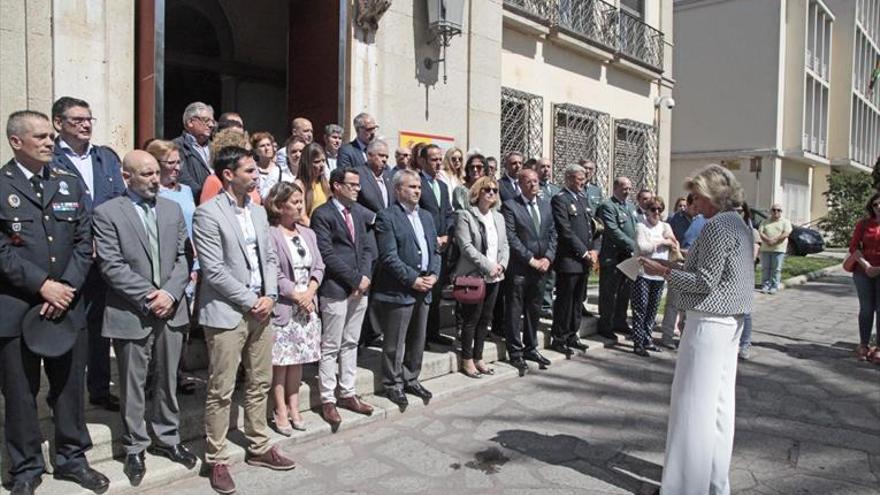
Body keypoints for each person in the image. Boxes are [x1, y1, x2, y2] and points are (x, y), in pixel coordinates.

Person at [0, 110, 109, 494]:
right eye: (42, 137)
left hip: (67, 305)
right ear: (17, 142)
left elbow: (85, 241)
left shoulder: (68, 183)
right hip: (17, 308)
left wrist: (65, 286)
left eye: (51, 136)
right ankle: (26, 468)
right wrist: (42, 285)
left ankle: (71, 460)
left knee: (68, 390)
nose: (50, 143)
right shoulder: (1, 185)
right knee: (19, 392)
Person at [640, 163, 753, 495]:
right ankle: (714, 483)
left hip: (709, 322)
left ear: (712, 195)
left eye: (697, 195)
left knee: (692, 404)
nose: (693, 201)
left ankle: (685, 487)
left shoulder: (718, 225)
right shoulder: (740, 224)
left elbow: (705, 281)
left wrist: (664, 271)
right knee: (718, 407)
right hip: (730, 321)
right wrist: (677, 264)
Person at [193, 146, 295, 493]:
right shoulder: (207, 215)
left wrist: (269, 297)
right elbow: (214, 271)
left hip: (261, 309)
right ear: (228, 175)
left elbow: (268, 255)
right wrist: (252, 299)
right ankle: (217, 457)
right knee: (221, 389)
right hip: (226, 313)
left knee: (260, 381)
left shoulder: (257, 212)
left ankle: (259, 445)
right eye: (250, 171)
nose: (256, 177)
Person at [92, 150, 197, 486]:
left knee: (168, 379)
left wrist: (170, 293)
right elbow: (110, 265)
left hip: (171, 309)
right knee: (132, 384)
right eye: (147, 174)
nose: (156, 180)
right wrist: (150, 297)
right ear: (127, 177)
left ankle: (168, 438)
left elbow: (185, 257)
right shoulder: (107, 213)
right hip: (131, 311)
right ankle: (135, 446)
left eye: (157, 173)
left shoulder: (172, 208)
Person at [50, 96, 126, 412]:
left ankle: (98, 388)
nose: (84, 125)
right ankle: (60, 398)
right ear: (58, 123)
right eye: (76, 120)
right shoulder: (49, 158)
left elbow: (119, 202)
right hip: (68, 260)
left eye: (88, 119)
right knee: (66, 327)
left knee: (98, 327)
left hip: (104, 258)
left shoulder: (105, 158)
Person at [312, 167, 377, 428]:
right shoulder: (322, 214)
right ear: (336, 186)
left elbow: (367, 249)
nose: (357, 189)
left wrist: (365, 277)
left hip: (360, 288)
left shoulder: (359, 213)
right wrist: (353, 279)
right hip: (336, 289)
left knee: (351, 341)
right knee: (331, 345)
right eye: (352, 184)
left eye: (358, 184)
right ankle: (327, 399)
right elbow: (326, 254)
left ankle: (348, 392)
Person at [371, 169, 440, 408]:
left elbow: (435, 250)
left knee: (417, 339)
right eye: (412, 187)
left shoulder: (427, 217)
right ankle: (392, 383)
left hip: (425, 286)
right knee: (395, 341)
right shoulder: (386, 216)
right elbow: (389, 256)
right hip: (400, 288)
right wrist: (412, 279)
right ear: (398, 190)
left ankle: (411, 377)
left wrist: (433, 274)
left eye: (419, 187)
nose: (417, 191)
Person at [264, 182, 324, 435]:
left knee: (298, 361)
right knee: (281, 364)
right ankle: (280, 409)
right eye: (294, 202)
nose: (300, 206)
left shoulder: (307, 233)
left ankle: (295, 406)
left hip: (307, 306)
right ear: (279, 206)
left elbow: (319, 265)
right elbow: (274, 273)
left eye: (301, 201)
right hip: (286, 306)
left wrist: (310, 291)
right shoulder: (271, 234)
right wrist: (297, 294)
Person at [452, 176, 509, 378]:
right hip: (475, 276)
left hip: (495, 277)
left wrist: (501, 265)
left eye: (494, 190)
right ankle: (467, 359)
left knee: (485, 319)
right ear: (478, 192)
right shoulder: (466, 215)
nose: (491, 193)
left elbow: (505, 245)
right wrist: (488, 266)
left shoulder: (499, 217)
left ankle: (479, 357)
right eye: (487, 189)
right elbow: (466, 247)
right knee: (471, 320)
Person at [502, 168, 556, 373]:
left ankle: (531, 347)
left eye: (536, 181)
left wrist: (548, 258)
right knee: (515, 312)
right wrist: (531, 259)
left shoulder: (545, 206)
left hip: (541, 269)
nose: (534, 184)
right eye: (529, 182)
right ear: (520, 184)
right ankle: (515, 352)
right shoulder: (510, 206)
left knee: (534, 310)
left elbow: (553, 234)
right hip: (520, 269)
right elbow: (511, 237)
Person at [550, 164, 596, 356]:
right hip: (569, 260)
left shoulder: (583, 198)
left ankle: (572, 334)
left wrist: (594, 250)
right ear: (569, 178)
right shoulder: (560, 199)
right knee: (565, 301)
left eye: (584, 178)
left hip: (584, 259)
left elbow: (591, 227)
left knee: (578, 300)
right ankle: (559, 337)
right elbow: (565, 231)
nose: (583, 182)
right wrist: (584, 252)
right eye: (579, 178)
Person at [418, 144, 455, 347]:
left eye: (440, 158)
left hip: (442, 245)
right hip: (426, 244)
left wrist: (447, 235)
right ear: (423, 161)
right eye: (433, 159)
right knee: (425, 292)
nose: (438, 162)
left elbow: (448, 212)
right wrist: (434, 238)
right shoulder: (418, 183)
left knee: (438, 291)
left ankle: (433, 332)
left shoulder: (441, 185)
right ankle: (420, 336)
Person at [632, 196, 677, 357]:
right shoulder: (641, 226)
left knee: (652, 309)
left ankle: (647, 339)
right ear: (647, 210)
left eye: (659, 209)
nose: (656, 212)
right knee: (640, 308)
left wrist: (664, 241)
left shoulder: (665, 226)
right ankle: (638, 342)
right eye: (653, 209)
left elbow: (674, 244)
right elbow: (643, 247)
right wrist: (661, 242)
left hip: (660, 272)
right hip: (643, 273)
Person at [596, 176, 638, 342]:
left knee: (624, 292)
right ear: (615, 188)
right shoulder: (608, 206)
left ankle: (619, 321)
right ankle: (605, 325)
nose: (627, 191)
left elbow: (636, 228)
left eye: (629, 188)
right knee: (609, 293)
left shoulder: (631, 207)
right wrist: (634, 245)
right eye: (624, 188)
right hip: (612, 257)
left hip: (628, 258)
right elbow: (612, 231)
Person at [848, 191, 880, 362]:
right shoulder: (863, 224)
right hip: (863, 271)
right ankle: (864, 344)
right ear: (871, 206)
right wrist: (867, 266)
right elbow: (853, 247)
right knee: (866, 309)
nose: (879, 207)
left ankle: (879, 348)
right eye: (875, 204)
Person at [199, 127, 261, 206]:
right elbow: (208, 212)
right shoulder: (214, 181)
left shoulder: (248, 181)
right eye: (246, 152)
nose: (249, 156)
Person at [174, 101, 216, 202]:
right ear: (190, 122)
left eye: (212, 121)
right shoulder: (177, 146)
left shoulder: (216, 147)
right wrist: (206, 195)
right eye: (206, 120)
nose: (211, 125)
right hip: (195, 202)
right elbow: (183, 178)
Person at [736, 202, 760, 360]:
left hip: (744, 274)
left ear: (745, 212)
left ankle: (744, 344)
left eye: (740, 211)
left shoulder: (752, 231)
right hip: (730, 276)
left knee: (745, 312)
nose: (738, 213)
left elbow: (753, 255)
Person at [537, 158, 561, 318]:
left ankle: (547, 303)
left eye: (548, 166)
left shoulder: (556, 189)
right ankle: (539, 304)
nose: (546, 169)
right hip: (541, 234)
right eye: (542, 167)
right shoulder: (534, 187)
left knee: (552, 273)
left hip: (555, 234)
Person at [758, 203, 792, 294]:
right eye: (773, 210)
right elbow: (761, 232)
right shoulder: (765, 221)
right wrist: (768, 240)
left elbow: (786, 233)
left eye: (778, 210)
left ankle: (774, 286)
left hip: (778, 249)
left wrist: (775, 240)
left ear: (781, 212)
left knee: (776, 269)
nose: (776, 212)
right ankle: (765, 285)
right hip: (766, 249)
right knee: (765, 268)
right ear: (771, 211)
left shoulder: (785, 222)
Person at [293, 142, 330, 222]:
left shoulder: (325, 183)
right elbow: (302, 217)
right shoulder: (299, 185)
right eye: (317, 162)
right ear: (307, 163)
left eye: (323, 161)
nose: (322, 165)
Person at [357, 139, 395, 213]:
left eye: (386, 157)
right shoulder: (358, 174)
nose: (384, 159)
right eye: (381, 155)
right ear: (369, 155)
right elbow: (353, 202)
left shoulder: (389, 176)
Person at [252, 132, 284, 198]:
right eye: (262, 146)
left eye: (268, 145)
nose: (267, 148)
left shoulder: (280, 169)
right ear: (256, 151)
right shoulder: (252, 169)